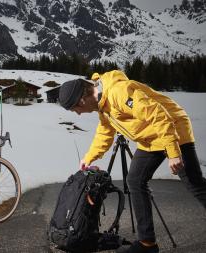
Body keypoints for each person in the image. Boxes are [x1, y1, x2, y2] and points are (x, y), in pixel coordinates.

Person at [58, 70, 206, 253]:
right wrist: (89, 157)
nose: (79, 114)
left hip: (173, 128)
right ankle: (147, 244)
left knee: (194, 184)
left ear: (81, 100)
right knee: (134, 180)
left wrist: (173, 151)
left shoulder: (119, 92)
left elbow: (158, 115)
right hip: (150, 138)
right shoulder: (103, 105)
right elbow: (105, 132)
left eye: (75, 110)